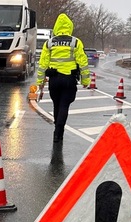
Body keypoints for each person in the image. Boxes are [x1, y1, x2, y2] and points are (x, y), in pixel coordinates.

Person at [36, 13, 91, 143]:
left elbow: (42, 64)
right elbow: (83, 62)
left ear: (56, 27)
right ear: (70, 27)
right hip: (69, 79)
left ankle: (57, 129)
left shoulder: (49, 43)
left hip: (54, 79)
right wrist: (85, 80)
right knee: (64, 105)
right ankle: (59, 130)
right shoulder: (75, 42)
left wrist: (40, 82)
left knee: (56, 104)